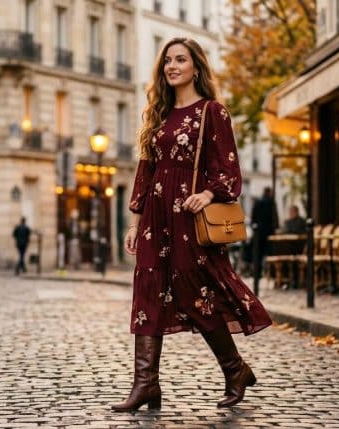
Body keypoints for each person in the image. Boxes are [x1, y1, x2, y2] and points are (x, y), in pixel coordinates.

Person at [114, 37, 272, 413]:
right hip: (156, 216)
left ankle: (234, 369)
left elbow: (229, 169)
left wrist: (210, 194)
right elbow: (145, 171)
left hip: (188, 215)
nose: (172, 66)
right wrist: (135, 223)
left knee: (193, 292)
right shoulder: (159, 114)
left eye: (180, 60)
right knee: (148, 291)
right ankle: (145, 384)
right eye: (167, 60)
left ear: (196, 67)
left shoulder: (212, 112)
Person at [250, 187, 279, 278]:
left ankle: (257, 274)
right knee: (270, 253)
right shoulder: (272, 203)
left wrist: (254, 227)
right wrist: (276, 227)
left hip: (258, 232)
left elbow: (253, 217)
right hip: (269, 231)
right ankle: (271, 273)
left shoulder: (258, 202)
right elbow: (275, 217)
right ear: (269, 193)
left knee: (258, 254)